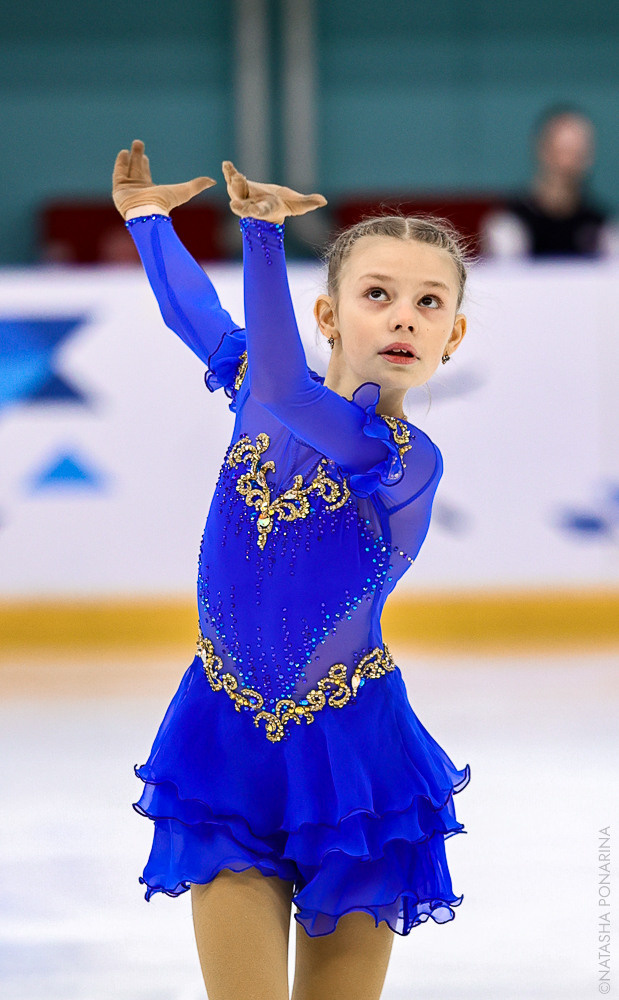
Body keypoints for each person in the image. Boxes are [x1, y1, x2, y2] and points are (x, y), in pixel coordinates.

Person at [112, 139, 472, 1000]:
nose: (404, 319)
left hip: (355, 770)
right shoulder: (255, 392)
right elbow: (194, 316)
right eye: (378, 295)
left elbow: (281, 384)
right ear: (327, 315)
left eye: (429, 304)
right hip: (224, 746)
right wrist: (148, 220)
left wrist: (263, 235)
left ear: (452, 337)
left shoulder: (400, 460)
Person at [481, 104, 618, 258]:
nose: (566, 164)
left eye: (576, 154)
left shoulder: (602, 230)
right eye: (560, 152)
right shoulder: (510, 225)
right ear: (542, 151)